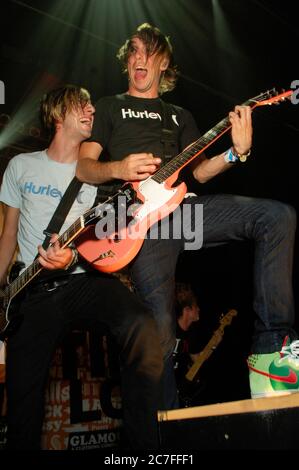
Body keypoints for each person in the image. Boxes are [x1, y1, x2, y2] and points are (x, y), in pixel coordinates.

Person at [76, 23, 299, 403]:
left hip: (183, 213)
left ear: (163, 62)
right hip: (139, 224)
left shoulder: (179, 116)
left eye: (148, 51)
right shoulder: (111, 106)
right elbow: (84, 167)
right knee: (161, 332)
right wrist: (119, 168)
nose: (138, 57)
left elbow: (198, 172)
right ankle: (161, 435)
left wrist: (235, 152)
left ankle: (271, 353)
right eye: (132, 50)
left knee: (277, 216)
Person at [0, 84, 163, 450]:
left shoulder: (96, 176)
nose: (92, 110)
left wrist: (73, 257)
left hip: (81, 279)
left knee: (141, 324)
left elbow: (102, 243)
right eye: (83, 105)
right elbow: (7, 237)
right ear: (58, 114)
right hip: (31, 293)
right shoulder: (20, 166)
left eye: (92, 104)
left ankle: (144, 448)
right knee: (22, 403)